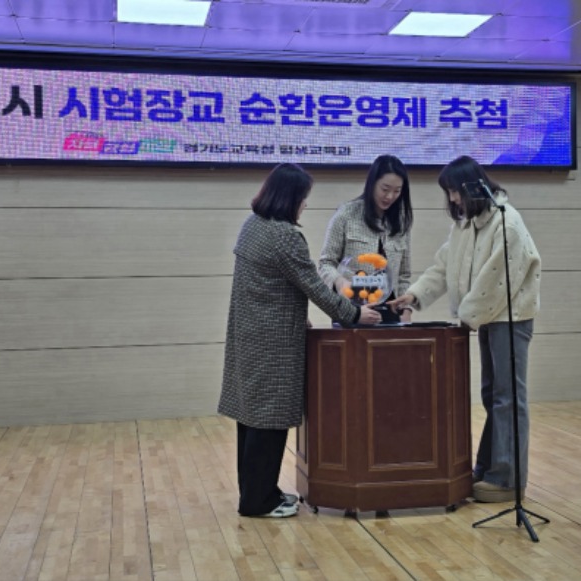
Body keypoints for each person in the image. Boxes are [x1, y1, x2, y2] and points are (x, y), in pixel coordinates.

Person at [219, 163, 381, 518]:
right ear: (289, 198)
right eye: (303, 198)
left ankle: (261, 491)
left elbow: (269, 286)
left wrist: (294, 312)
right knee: (270, 421)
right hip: (272, 343)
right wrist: (355, 314)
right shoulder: (284, 236)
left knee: (250, 420)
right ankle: (258, 502)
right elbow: (313, 286)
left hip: (249, 334)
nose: (304, 205)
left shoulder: (253, 225)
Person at [388, 156, 541, 503]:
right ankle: (488, 468)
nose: (453, 200)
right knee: (493, 396)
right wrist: (415, 295)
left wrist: (464, 319)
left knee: (507, 398)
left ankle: (508, 478)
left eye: (455, 192)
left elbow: (497, 279)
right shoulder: (467, 225)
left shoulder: (507, 223)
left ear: (472, 187)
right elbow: (444, 267)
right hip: (489, 317)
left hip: (510, 318)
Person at [318, 154, 414, 323]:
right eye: (385, 189)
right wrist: (340, 282)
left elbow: (404, 274)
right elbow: (326, 263)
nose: (390, 196)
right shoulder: (346, 214)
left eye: (397, 191)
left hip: (390, 309)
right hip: (351, 308)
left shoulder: (401, 221)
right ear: (372, 184)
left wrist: (406, 308)